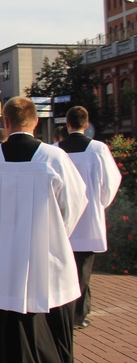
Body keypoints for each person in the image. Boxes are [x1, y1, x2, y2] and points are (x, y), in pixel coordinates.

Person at [0, 96, 88, 363]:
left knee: (5, 337)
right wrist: (53, 234)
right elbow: (74, 205)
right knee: (51, 337)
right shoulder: (54, 157)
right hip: (46, 264)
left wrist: (3, 229)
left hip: (2, 266)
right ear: (36, 122)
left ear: (5, 122)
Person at [58, 106, 121, 329]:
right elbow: (111, 181)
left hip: (61, 219)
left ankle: (63, 313)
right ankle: (77, 315)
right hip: (87, 219)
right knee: (83, 270)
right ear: (86, 124)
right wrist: (99, 203)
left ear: (67, 123)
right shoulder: (98, 149)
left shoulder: (56, 150)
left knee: (62, 268)